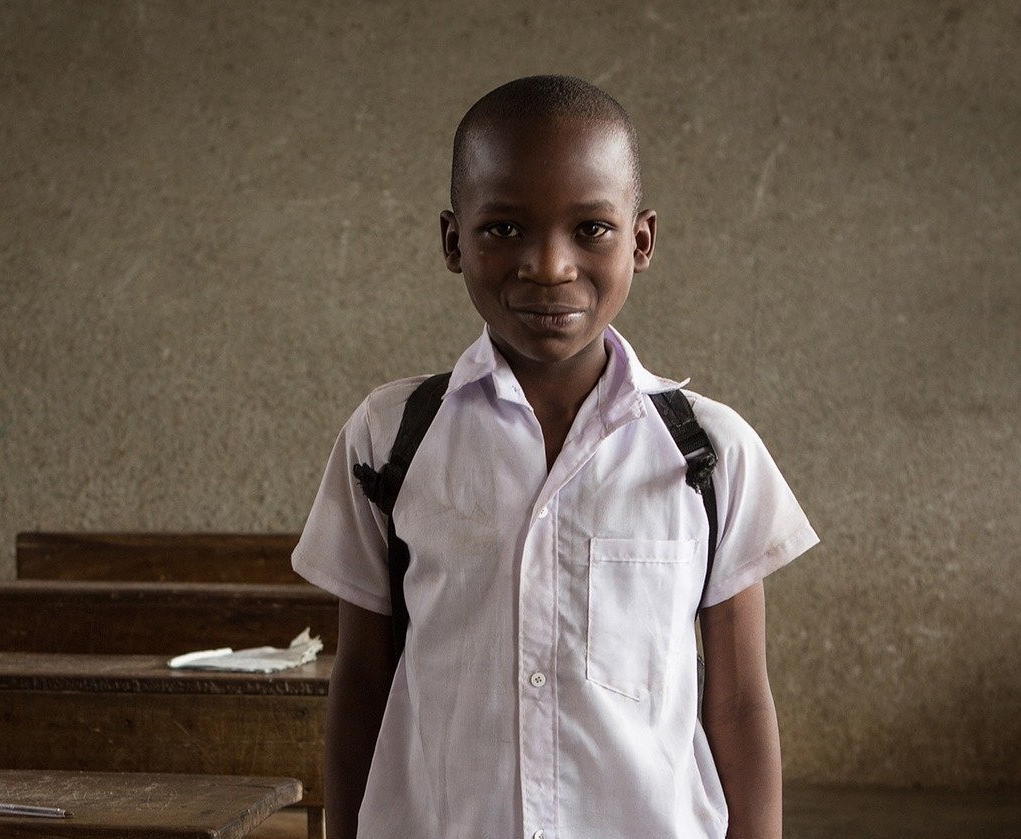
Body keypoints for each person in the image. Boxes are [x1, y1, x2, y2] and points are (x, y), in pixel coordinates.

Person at [292, 75, 818, 839]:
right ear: (452, 240)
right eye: (504, 228)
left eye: (591, 229)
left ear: (641, 241)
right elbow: (363, 679)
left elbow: (739, 701)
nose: (548, 265)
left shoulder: (706, 451)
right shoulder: (391, 436)